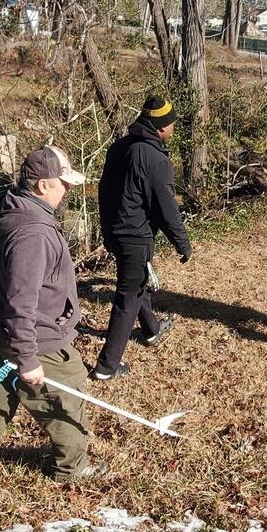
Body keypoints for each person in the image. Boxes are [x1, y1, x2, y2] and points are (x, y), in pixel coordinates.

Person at [0, 146, 99, 489]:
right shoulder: (33, 233)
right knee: (67, 400)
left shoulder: (10, 206)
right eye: (64, 183)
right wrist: (27, 358)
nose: (68, 189)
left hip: (2, 335)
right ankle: (72, 469)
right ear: (43, 185)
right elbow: (21, 301)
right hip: (35, 339)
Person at [94, 95, 192, 380]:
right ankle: (106, 367)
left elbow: (104, 191)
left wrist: (107, 230)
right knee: (129, 296)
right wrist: (182, 243)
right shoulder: (155, 160)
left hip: (116, 230)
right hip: (134, 236)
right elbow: (166, 209)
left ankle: (151, 329)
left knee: (136, 282)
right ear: (161, 127)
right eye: (171, 123)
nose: (173, 127)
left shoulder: (119, 148)